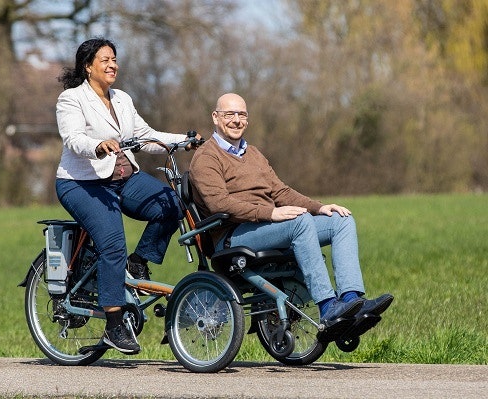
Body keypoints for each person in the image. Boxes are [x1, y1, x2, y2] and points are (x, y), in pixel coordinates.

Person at [189, 93, 393, 341]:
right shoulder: (206, 157)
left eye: (242, 114)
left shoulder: (253, 154)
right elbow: (218, 202)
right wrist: (270, 213)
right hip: (232, 235)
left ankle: (352, 301)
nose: (236, 120)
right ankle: (328, 306)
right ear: (215, 117)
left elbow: (280, 192)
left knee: (341, 220)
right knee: (299, 222)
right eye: (229, 114)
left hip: (266, 227)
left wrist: (319, 207)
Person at [55, 38, 199, 354]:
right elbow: (73, 138)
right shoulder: (71, 100)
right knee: (112, 244)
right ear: (87, 66)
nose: (112, 65)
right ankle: (114, 325)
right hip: (83, 184)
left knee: (172, 203)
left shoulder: (122, 99)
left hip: (124, 179)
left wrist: (183, 141)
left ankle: (138, 262)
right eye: (105, 59)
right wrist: (97, 145)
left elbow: (145, 137)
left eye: (115, 59)